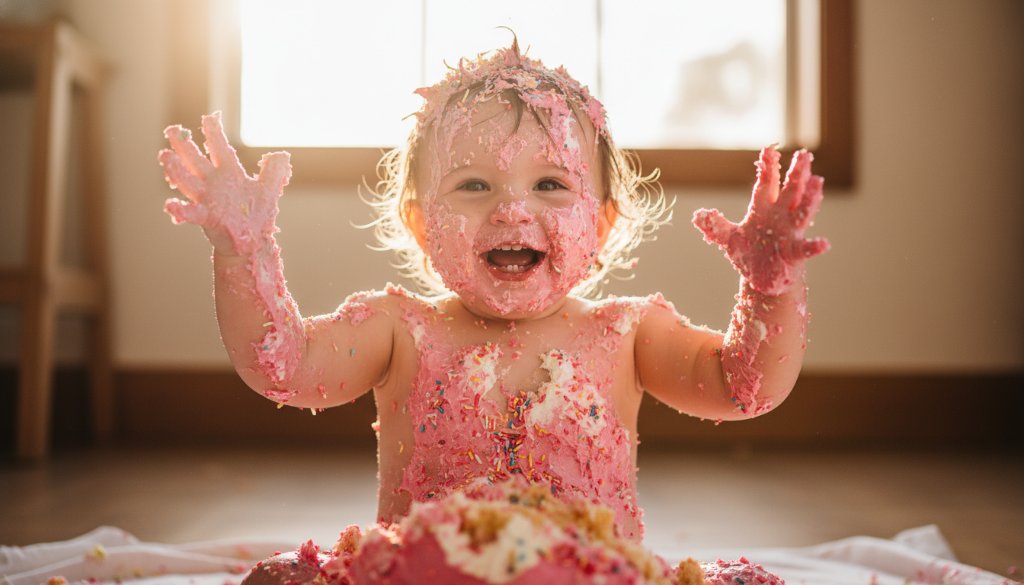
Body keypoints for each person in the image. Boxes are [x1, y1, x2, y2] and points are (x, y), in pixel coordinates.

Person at [158, 39, 828, 583]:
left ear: (602, 224)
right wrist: (243, 253)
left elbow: (744, 387)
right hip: (427, 578)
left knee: (748, 580)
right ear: (421, 224)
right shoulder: (401, 329)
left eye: (550, 184)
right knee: (279, 577)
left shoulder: (627, 332)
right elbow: (284, 365)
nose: (512, 208)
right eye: (473, 185)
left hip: (588, 579)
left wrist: (770, 288)